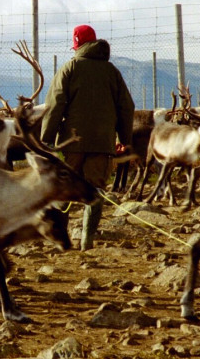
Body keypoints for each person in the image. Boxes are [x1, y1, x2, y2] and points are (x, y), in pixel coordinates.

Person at [40, 24, 135, 251]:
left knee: (65, 187)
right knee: (96, 190)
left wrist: (46, 141)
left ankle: (59, 239)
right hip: (103, 143)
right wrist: (124, 138)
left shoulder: (69, 68)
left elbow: (55, 106)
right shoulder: (112, 72)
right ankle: (87, 240)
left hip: (72, 143)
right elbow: (126, 106)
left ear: (77, 44)